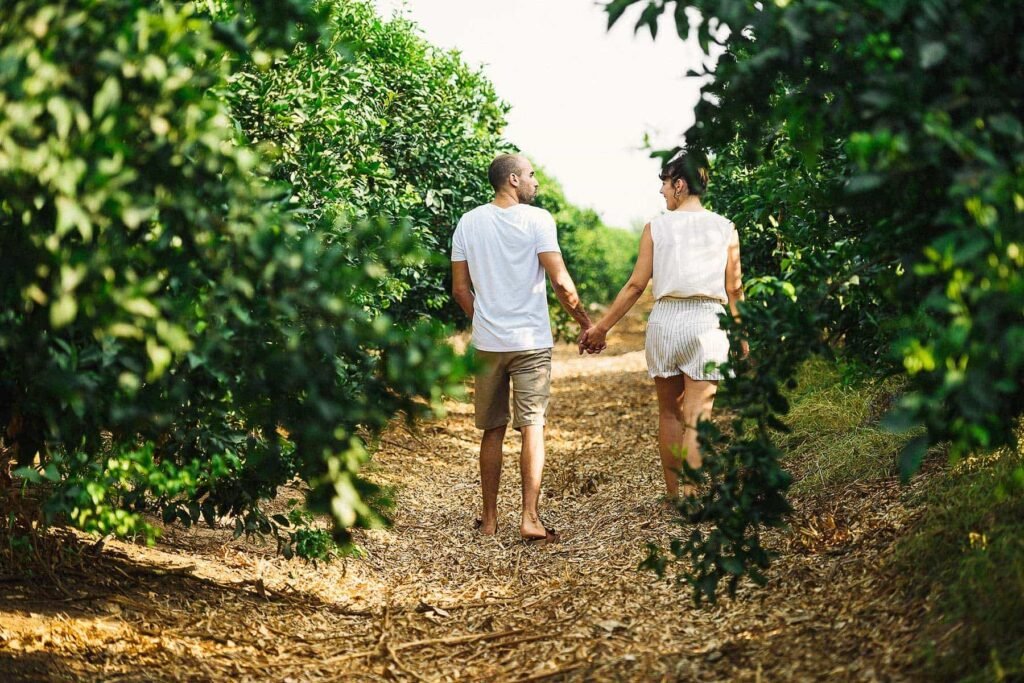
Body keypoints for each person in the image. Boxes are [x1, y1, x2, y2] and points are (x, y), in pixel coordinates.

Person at [580, 152, 747, 501]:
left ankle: (674, 495)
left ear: (680, 184)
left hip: (666, 320)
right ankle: (691, 494)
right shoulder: (725, 227)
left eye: (664, 183)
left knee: (670, 413)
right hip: (708, 321)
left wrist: (602, 328)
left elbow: (635, 286)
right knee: (698, 415)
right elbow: (734, 288)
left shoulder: (655, 227)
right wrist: (740, 332)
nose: (661, 191)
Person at [451, 153, 596, 543]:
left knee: (492, 429)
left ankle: (489, 518)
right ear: (513, 180)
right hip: (531, 341)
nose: (536, 182)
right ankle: (530, 518)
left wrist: (482, 319)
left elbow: (460, 290)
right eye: (531, 175)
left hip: (487, 343)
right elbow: (561, 283)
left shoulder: (467, 222)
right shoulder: (538, 221)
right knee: (532, 425)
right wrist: (586, 324)